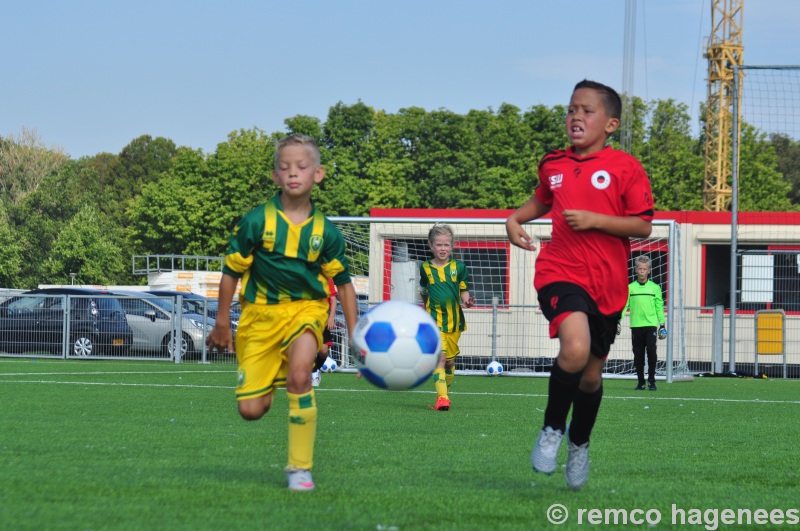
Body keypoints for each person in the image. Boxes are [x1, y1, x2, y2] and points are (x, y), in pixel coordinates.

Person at [505, 79, 654, 490]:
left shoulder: (626, 168)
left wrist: (596, 220)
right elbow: (543, 197)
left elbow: (643, 223)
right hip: (560, 270)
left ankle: (580, 443)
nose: (576, 116)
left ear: (610, 124)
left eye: (587, 111)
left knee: (590, 376)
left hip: (607, 285)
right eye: (572, 109)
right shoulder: (552, 163)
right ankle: (552, 429)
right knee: (574, 346)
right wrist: (514, 219)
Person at [206, 134, 358, 492]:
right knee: (251, 411)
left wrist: (355, 333)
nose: (293, 173)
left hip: (305, 311)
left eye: (301, 167)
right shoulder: (256, 222)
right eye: (285, 167)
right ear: (275, 177)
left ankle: (299, 469)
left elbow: (345, 283)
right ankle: (272, 380)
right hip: (259, 319)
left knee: (302, 376)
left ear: (317, 174)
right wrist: (222, 320)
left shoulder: (327, 232)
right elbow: (231, 272)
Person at [419, 223, 475, 411]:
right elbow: (424, 290)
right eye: (438, 245)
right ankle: (442, 398)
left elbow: (463, 291)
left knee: (449, 362)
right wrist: (425, 306)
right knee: (440, 358)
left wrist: (467, 301)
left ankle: (444, 391)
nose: (442, 249)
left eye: (446, 245)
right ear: (431, 245)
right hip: (434, 321)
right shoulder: (425, 267)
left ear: (452, 246)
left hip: (455, 322)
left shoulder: (459, 267)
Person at [621, 255, 666, 391]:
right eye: (639, 268)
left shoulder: (655, 288)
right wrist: (618, 321)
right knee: (638, 355)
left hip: (651, 325)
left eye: (644, 269)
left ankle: (652, 381)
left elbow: (659, 306)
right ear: (635, 270)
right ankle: (641, 382)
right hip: (636, 325)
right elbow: (624, 305)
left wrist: (662, 325)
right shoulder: (630, 288)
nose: (641, 271)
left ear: (649, 271)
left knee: (652, 352)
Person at [312, 278, 339, 387]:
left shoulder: (327, 279)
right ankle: (312, 374)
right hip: (306, 318)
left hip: (323, 318)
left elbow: (333, 300)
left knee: (323, 351)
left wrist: (331, 317)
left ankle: (316, 370)